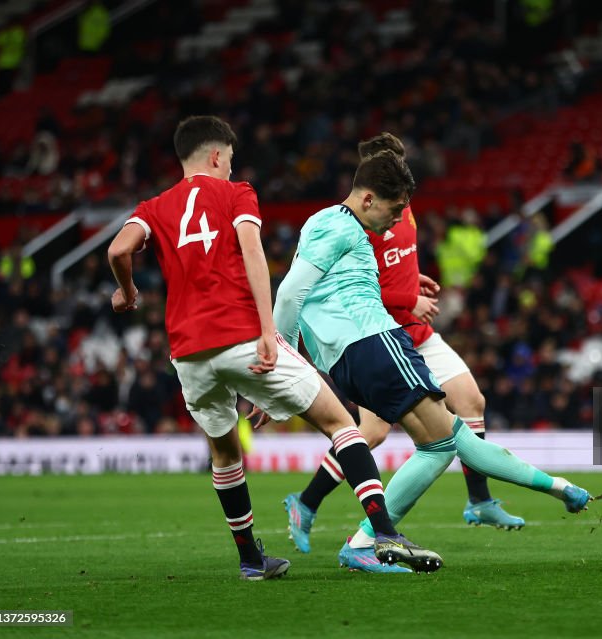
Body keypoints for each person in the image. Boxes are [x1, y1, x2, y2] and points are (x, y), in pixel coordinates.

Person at [106, 115, 439, 579]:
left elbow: (118, 250)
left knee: (224, 454)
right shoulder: (237, 193)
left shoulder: (154, 207)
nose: (230, 166)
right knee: (342, 424)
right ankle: (384, 532)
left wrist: (127, 292)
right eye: (230, 159)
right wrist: (268, 331)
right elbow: (252, 252)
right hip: (240, 332)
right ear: (218, 155)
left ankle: (250, 561)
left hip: (187, 350)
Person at [271, 149, 593, 573]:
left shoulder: (320, 222)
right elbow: (290, 293)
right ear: (368, 199)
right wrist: (284, 356)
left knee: (452, 435)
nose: (397, 218)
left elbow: (307, 292)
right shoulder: (344, 227)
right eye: (395, 208)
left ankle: (548, 490)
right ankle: (369, 540)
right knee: (439, 446)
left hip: (347, 361)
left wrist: (556, 487)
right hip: (375, 342)